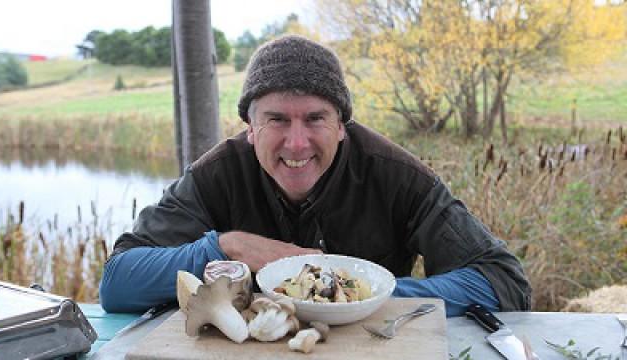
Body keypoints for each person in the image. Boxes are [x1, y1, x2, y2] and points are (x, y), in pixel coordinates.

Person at [99, 35, 531, 316]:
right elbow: (118, 283)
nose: (297, 143)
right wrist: (225, 247)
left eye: (315, 119)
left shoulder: (396, 174)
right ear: (250, 127)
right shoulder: (216, 173)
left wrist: (368, 296)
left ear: (342, 125)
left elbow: (503, 281)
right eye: (277, 120)